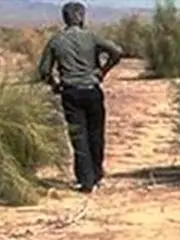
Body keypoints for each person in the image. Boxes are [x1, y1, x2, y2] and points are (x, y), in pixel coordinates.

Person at [37, 2, 124, 194]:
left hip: (70, 92)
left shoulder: (56, 41)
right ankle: (97, 175)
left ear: (65, 18)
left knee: (79, 136)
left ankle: (86, 181)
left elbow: (43, 71)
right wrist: (103, 71)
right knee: (96, 133)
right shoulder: (91, 37)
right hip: (92, 90)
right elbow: (117, 52)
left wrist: (54, 85)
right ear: (81, 17)